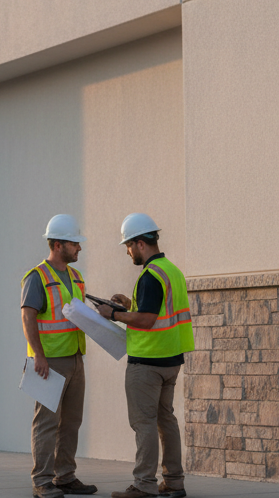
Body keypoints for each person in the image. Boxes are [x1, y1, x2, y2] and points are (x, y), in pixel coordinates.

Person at [95, 213, 193, 498]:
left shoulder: (150, 275)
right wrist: (128, 304)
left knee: (144, 423)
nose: (127, 251)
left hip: (147, 363)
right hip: (171, 360)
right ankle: (174, 482)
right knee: (166, 420)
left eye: (128, 245)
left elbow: (148, 319)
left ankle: (143, 485)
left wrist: (113, 313)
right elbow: (157, 310)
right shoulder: (171, 270)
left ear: (140, 243)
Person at [21, 214, 98, 498]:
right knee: (46, 423)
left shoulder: (76, 277)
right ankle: (42, 481)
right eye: (74, 243)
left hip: (75, 357)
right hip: (49, 362)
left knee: (72, 421)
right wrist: (38, 356)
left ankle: (65, 476)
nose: (79, 248)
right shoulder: (37, 277)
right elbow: (27, 316)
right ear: (56, 245)